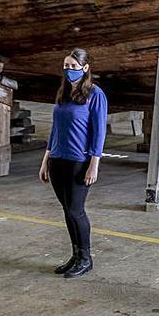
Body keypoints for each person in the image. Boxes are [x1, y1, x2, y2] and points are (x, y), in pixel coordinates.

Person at [38, 48, 107, 279]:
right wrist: (46, 160)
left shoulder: (95, 94)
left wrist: (94, 164)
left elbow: (98, 133)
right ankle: (75, 256)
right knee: (67, 210)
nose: (69, 71)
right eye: (66, 66)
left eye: (73, 67)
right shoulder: (64, 93)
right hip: (58, 159)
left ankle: (86, 259)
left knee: (76, 210)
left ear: (86, 68)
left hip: (79, 161)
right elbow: (55, 129)